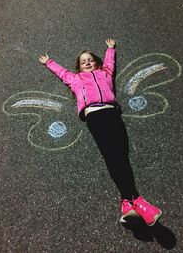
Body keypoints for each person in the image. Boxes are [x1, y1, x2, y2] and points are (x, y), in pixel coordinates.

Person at [39, 39, 162, 226]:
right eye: (83, 61)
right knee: (112, 157)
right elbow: (62, 73)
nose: (87, 62)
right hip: (94, 116)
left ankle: (127, 203)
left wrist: (110, 49)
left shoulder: (105, 73)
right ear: (79, 68)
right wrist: (49, 62)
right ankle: (137, 200)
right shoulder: (75, 79)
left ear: (96, 62)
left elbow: (110, 64)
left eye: (90, 60)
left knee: (122, 156)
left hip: (112, 112)